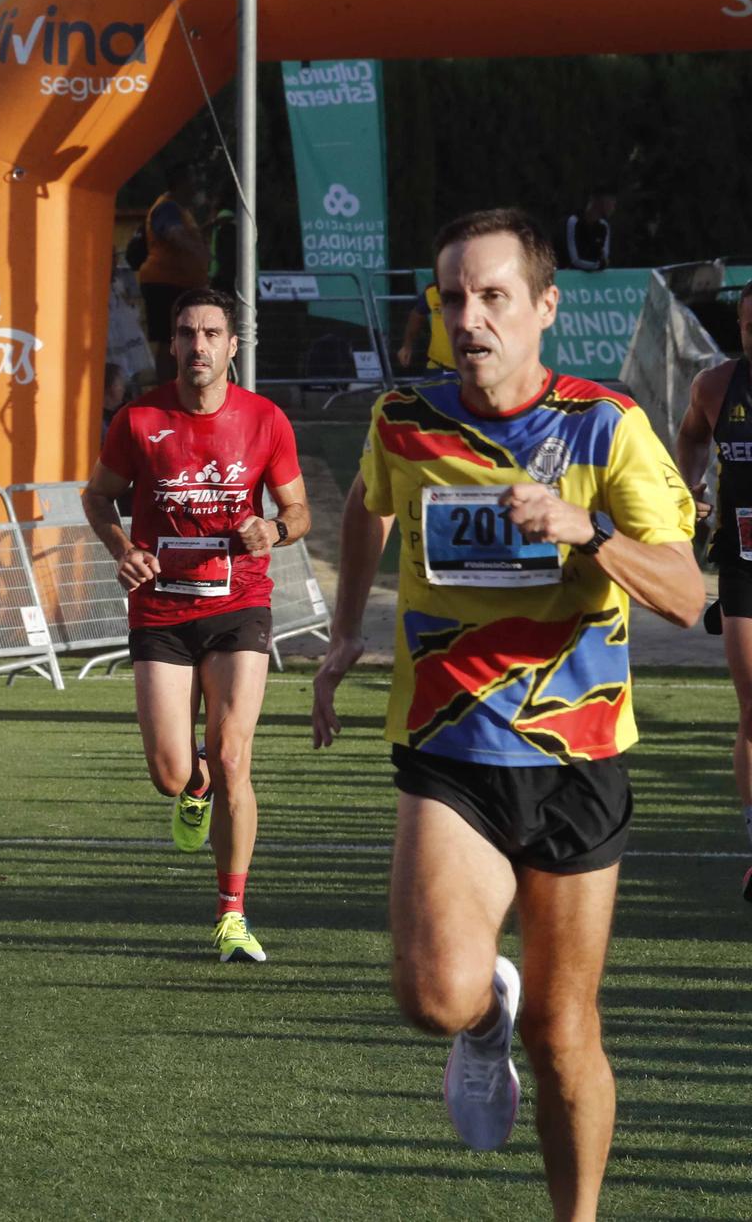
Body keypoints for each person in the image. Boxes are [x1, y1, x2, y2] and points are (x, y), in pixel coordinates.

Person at [311, 208, 700, 1217]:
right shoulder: (403, 416)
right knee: (433, 993)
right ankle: (479, 1022)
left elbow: (686, 592)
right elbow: (367, 502)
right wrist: (346, 627)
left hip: (574, 759)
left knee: (564, 1033)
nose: (469, 319)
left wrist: (585, 531)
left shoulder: (605, 425)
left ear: (542, 308)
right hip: (448, 743)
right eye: (451, 298)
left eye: (492, 297)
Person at [84, 287, 311, 963]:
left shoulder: (265, 419)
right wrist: (124, 549)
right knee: (169, 771)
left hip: (239, 602)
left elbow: (299, 512)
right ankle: (195, 782)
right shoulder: (139, 418)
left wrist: (273, 526)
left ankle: (231, 912)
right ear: (172, 344)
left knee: (236, 752)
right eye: (187, 333)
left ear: (233, 344)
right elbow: (97, 497)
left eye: (213, 333)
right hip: (161, 608)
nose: (199, 345)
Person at [672, 283, 752, 902]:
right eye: (750, 326)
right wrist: (690, 492)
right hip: (744, 562)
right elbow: (694, 437)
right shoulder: (716, 386)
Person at [136, 160, 214, 387]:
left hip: (180, 283)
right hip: (164, 282)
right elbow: (173, 234)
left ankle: (175, 383)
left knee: (177, 334)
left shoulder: (181, 210)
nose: (195, 187)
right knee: (167, 337)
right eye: (191, 181)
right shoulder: (167, 207)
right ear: (181, 183)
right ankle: (165, 387)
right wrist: (200, 252)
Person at [396, 280, 453, 375]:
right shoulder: (432, 292)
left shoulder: (478, 294)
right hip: (437, 366)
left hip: (470, 370)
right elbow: (417, 314)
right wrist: (407, 345)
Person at [563, 190, 616, 272]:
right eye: (611, 201)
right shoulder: (573, 222)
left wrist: (600, 264)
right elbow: (574, 260)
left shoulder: (604, 226)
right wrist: (597, 265)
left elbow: (604, 258)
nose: (613, 207)